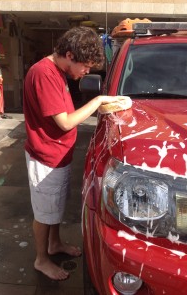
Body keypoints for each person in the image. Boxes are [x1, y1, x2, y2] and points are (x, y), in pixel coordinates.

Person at [23, 26, 125, 281]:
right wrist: (97, 102)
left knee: (54, 207)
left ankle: (54, 244)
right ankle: (41, 259)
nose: (87, 72)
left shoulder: (57, 72)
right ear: (70, 55)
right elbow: (66, 123)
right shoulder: (44, 74)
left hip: (58, 154)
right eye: (86, 66)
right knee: (44, 212)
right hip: (46, 156)